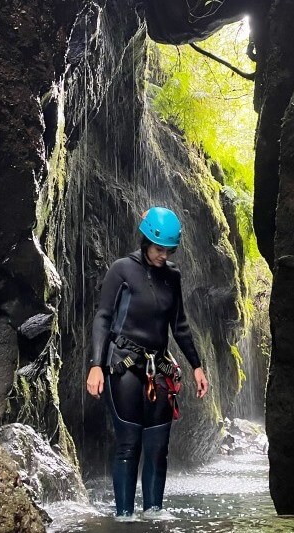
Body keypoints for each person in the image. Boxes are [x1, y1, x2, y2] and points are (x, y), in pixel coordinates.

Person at [86, 206, 209, 519]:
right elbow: (103, 317)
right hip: (123, 366)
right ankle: (124, 518)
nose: (162, 256)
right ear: (145, 241)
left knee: (158, 449)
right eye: (158, 249)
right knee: (129, 446)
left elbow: (179, 325)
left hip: (159, 368)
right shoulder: (122, 271)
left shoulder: (173, 277)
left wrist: (196, 366)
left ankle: (154, 515)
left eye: (168, 250)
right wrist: (96, 364)